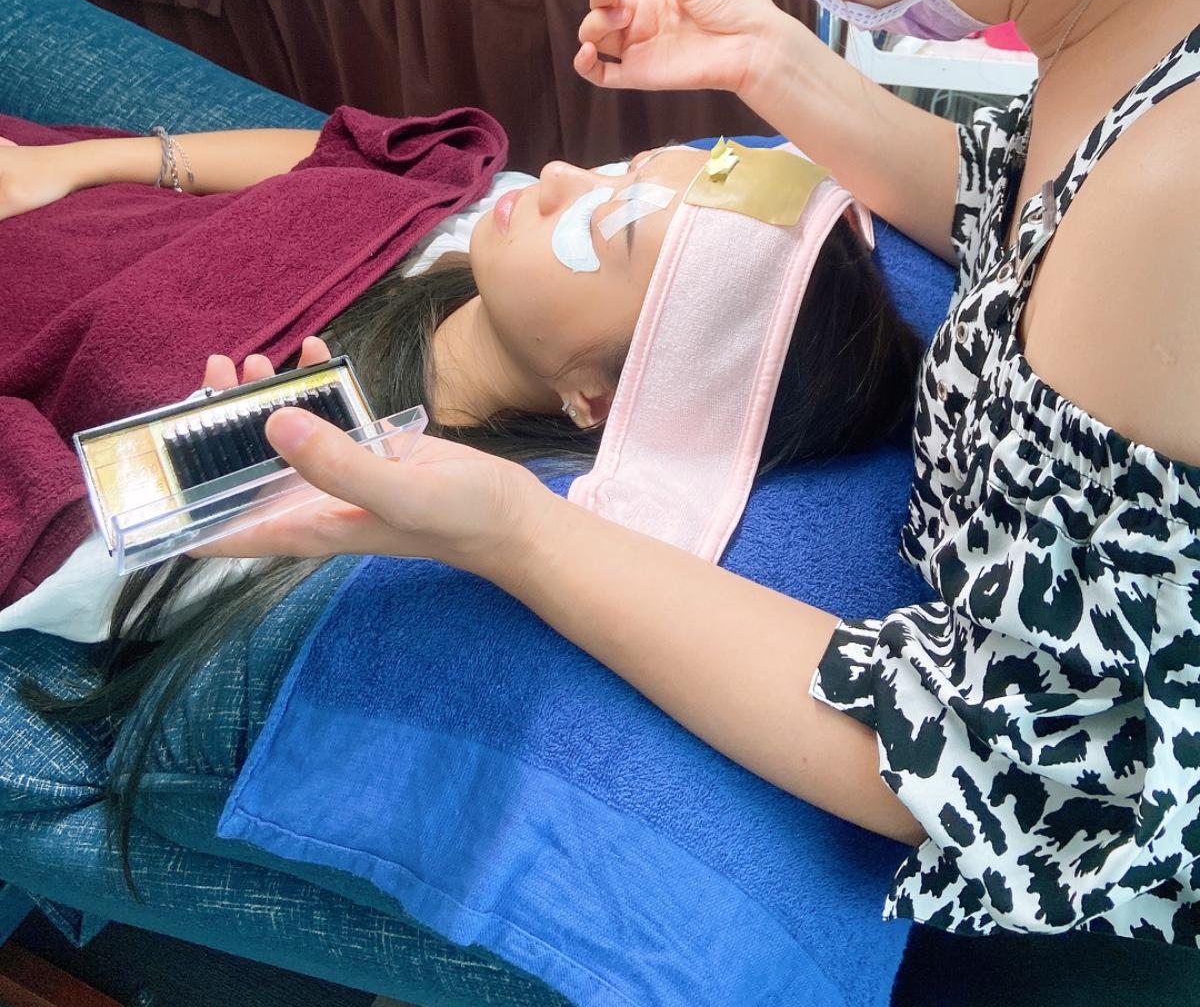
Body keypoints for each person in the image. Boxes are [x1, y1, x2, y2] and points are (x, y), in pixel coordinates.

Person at [197, 0, 1200, 963]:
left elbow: (1015, 775)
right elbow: (1033, 220)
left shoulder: (1178, 177)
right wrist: (776, 64)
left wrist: (516, 536)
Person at [0, 110, 918, 644]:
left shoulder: (341, 493)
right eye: (618, 170)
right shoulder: (492, 213)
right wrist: (78, 164)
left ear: (597, 398)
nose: (559, 177)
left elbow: (77, 564)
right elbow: (337, 159)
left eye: (610, 227)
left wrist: (210, 464)